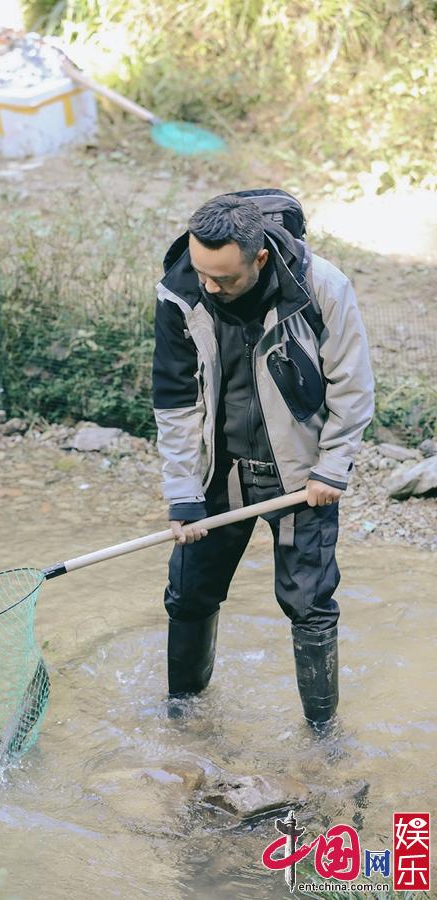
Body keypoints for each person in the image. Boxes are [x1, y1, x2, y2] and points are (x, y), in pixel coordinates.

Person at [152, 190, 374, 726]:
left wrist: (332, 467)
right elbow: (176, 401)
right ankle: (183, 718)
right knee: (188, 593)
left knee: (310, 605)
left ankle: (321, 735)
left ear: (260, 258)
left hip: (301, 476)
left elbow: (353, 384)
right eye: (203, 272)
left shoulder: (321, 286)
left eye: (224, 277)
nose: (210, 286)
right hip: (219, 473)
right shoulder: (181, 291)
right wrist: (182, 494)